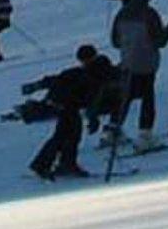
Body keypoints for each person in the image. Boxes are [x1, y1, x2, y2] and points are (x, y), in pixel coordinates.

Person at [27, 44, 113, 179]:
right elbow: (93, 98)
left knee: (69, 134)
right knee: (65, 134)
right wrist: (93, 118)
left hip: (65, 103)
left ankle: (62, 163)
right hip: (66, 104)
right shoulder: (94, 74)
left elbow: (58, 80)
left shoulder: (88, 71)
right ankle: (47, 164)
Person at [109, 0, 168, 139]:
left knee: (125, 97)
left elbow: (115, 42)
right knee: (148, 97)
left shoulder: (121, 14)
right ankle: (145, 134)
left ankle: (111, 130)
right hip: (146, 63)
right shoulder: (149, 14)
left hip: (127, 62)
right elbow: (159, 41)